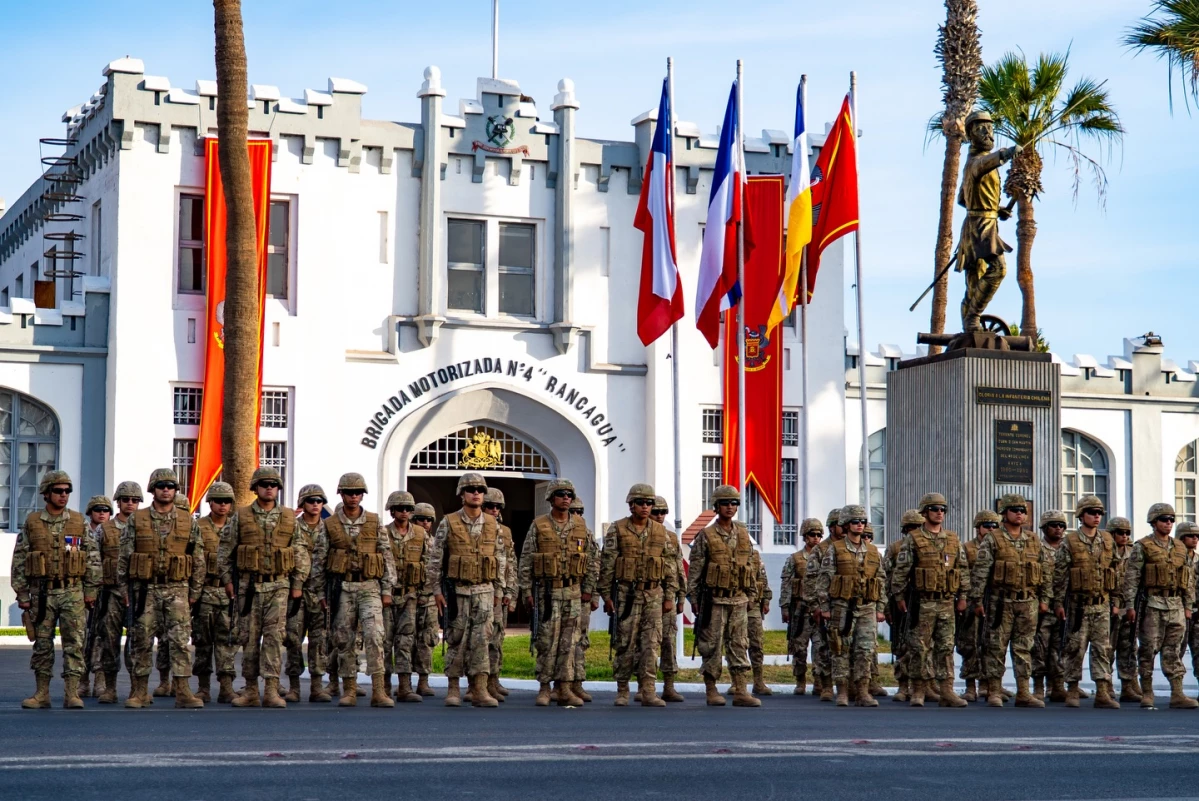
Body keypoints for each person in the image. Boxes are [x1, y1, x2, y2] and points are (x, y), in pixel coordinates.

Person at [217, 466, 310, 709]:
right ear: (255, 488)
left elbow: (300, 552)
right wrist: (227, 581)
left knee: (274, 638)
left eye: (273, 484)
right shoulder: (241, 516)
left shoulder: (288, 517)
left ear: (278, 488)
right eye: (264, 484)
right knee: (248, 638)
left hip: (279, 585)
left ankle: (271, 689)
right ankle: (250, 690)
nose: (269, 488)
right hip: (249, 587)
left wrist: (298, 583)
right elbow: (225, 550)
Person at [13, 471, 100, 709]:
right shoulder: (32, 522)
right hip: (42, 593)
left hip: (72, 591)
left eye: (67, 491)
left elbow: (92, 558)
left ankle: (72, 693)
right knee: (42, 644)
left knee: (75, 643)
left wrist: (91, 591)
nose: (64, 495)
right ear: (46, 493)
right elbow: (19, 559)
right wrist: (22, 594)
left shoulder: (79, 521)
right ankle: (42, 693)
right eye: (59, 491)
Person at [119, 468, 205, 709]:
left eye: (170, 486)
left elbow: (198, 559)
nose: (166, 490)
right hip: (145, 590)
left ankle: (183, 691)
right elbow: (124, 557)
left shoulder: (188, 520)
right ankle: (139, 691)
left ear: (176, 490)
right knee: (142, 640)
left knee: (180, 642)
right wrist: (125, 590)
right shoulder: (137, 519)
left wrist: (195, 592)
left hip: (178, 589)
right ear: (152, 490)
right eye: (161, 486)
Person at [428, 472, 505, 708]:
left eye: (480, 490)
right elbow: (436, 560)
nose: (476, 493)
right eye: (471, 489)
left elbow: (500, 558)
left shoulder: (492, 524)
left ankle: (479, 689)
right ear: (462, 494)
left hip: (484, 591)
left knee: (482, 640)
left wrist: (499, 591)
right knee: (456, 639)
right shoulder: (449, 522)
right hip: (457, 592)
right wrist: (437, 591)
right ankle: (453, 688)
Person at [968, 493, 1052, 708]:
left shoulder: (1033, 539)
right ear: (1004, 513)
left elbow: (1045, 572)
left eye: (1023, 510)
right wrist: (977, 600)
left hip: (1028, 602)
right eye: (1015, 510)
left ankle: (1023, 692)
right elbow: (981, 572)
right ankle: (994, 691)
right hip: (1000, 603)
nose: (1019, 514)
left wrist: (1045, 599)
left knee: (1024, 648)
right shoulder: (993, 539)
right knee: (996, 647)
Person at [890, 494, 970, 708]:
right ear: (925, 512)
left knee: (946, 647)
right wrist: (899, 596)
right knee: (919, 647)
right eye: (935, 508)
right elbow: (901, 571)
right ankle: (918, 690)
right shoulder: (914, 538)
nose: (939, 512)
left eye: (943, 509)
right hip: (922, 602)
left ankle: (947, 691)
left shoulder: (952, 539)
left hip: (946, 602)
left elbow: (962, 569)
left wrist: (963, 596)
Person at [323, 472, 395, 708]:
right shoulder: (330, 524)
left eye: (357, 493)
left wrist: (387, 590)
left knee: (375, 635)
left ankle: (379, 691)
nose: (353, 497)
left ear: (362, 495)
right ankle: (349, 690)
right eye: (348, 493)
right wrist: (321, 594)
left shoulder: (374, 521)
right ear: (341, 494)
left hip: (369, 586)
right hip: (342, 588)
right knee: (344, 639)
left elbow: (386, 556)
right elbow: (319, 561)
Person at [686, 485, 759, 707]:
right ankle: (711, 689)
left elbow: (751, 566)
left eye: (734, 503)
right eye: (725, 503)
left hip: (739, 599)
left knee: (739, 644)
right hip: (714, 601)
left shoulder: (743, 534)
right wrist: (694, 599)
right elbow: (695, 570)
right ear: (716, 507)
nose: (730, 507)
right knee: (712, 645)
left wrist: (752, 595)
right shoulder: (706, 535)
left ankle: (741, 690)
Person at [521, 480, 590, 706]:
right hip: (547, 592)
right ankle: (544, 687)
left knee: (569, 643)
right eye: (561, 494)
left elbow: (591, 561)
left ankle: (564, 688)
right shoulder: (539, 525)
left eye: (569, 494)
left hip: (573, 592)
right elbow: (526, 560)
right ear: (551, 498)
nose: (566, 498)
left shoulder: (580, 526)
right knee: (546, 641)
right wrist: (526, 591)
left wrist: (589, 590)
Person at [1123, 503, 1197, 708]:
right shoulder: (1143, 546)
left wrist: (1188, 606)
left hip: (1176, 605)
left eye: (1171, 520)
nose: (1169, 523)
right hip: (1152, 604)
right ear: (1154, 522)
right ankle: (1147, 692)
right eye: (1164, 519)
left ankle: (1177, 693)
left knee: (1174, 650)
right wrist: (1130, 605)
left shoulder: (1180, 547)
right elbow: (1132, 578)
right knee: (1148, 649)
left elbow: (1188, 579)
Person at [954, 109, 1021, 332]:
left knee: (975, 278)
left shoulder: (972, 165)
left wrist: (996, 209)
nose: (988, 133)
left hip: (981, 222)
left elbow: (963, 199)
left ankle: (970, 324)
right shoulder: (976, 162)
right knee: (998, 269)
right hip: (980, 226)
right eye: (981, 129)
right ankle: (973, 317)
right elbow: (985, 164)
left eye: (990, 128)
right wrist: (1007, 153)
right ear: (971, 134)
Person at [1053, 495, 1121, 709]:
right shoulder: (1070, 541)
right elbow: (1060, 575)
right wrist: (1059, 604)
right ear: (1081, 516)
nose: (1097, 516)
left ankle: (1102, 692)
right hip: (1078, 605)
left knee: (1103, 649)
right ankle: (1072, 689)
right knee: (1075, 647)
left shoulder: (1107, 540)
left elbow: (1116, 572)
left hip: (1102, 604)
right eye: (1092, 513)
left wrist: (1117, 600)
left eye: (1099, 513)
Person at [814, 505, 885, 707]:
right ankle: (843, 691)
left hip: (867, 607)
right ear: (846, 524)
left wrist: (880, 608)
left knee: (865, 651)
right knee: (840, 649)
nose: (860, 525)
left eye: (863, 522)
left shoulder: (873, 551)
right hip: (842, 607)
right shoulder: (835, 549)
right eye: (855, 521)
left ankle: (863, 692)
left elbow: (881, 580)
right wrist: (824, 607)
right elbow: (824, 580)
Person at [192, 482, 239, 704]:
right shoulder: (198, 527)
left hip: (228, 593)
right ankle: (203, 687)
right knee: (202, 642)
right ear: (210, 502)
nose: (223, 505)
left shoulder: (237, 526)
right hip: (205, 592)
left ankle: (226, 687)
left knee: (227, 642)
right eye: (218, 500)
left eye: (227, 501)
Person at [284, 484, 331, 703]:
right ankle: (294, 687)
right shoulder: (291, 527)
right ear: (302, 503)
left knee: (319, 641)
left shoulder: (329, 528)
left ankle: (316, 687)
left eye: (319, 501)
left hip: (320, 592)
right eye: (311, 501)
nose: (315, 504)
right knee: (293, 639)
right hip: (296, 592)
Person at [805, 508, 847, 701]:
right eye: (840, 524)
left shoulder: (850, 547)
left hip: (845, 606)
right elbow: (810, 580)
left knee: (845, 647)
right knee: (824, 646)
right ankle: (826, 685)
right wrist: (816, 607)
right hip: (826, 606)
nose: (845, 527)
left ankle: (848, 685)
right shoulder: (820, 550)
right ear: (832, 527)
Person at [959, 510, 1000, 702]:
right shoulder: (967, 548)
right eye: (987, 526)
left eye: (994, 526)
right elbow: (962, 574)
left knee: (991, 644)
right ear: (978, 528)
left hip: (994, 601)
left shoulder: (1000, 547)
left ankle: (987, 685)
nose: (991, 529)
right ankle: (970, 686)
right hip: (972, 602)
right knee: (970, 644)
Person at [780, 518, 823, 695]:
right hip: (800, 610)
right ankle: (800, 681)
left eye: (819, 535)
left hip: (819, 610)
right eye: (812, 534)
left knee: (820, 648)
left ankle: (819, 681)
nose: (816, 538)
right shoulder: (795, 559)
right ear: (805, 536)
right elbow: (786, 583)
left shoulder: (826, 557)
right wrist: (784, 607)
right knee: (799, 648)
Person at [483, 488, 517, 702]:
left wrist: (510, 591)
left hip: (500, 591)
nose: (494, 510)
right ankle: (479, 683)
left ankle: (493, 679)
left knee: (497, 638)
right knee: (479, 639)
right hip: (480, 589)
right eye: (490, 506)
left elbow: (511, 563)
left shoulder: (505, 531)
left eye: (497, 507)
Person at [381, 490, 416, 699]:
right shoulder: (382, 533)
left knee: (405, 641)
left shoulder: (420, 535)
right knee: (384, 641)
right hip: (386, 596)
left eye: (408, 509)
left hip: (409, 596)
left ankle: (404, 687)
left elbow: (430, 564)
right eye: (400, 508)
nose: (404, 512)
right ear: (392, 511)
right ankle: (384, 687)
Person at [650, 495, 685, 702]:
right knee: (646, 643)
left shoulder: (671, 537)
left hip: (667, 596)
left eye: (663, 512)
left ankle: (669, 686)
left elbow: (679, 568)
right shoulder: (642, 536)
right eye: (656, 512)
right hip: (647, 595)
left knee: (668, 641)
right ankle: (646, 686)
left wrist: (681, 597)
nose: (660, 516)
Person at [884, 510, 921, 702]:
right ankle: (903, 685)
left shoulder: (927, 546)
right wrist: (887, 607)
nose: (915, 531)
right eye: (911, 528)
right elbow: (886, 578)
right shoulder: (895, 548)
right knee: (901, 645)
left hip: (921, 601)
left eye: (918, 527)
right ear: (905, 529)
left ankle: (923, 686)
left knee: (923, 646)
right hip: (901, 601)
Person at [1032, 510, 1068, 702]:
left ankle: (1057, 686)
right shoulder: (1037, 548)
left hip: (1063, 606)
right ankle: (1038, 686)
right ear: (1045, 528)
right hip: (1042, 607)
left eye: (1061, 526)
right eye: (1054, 525)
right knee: (1039, 647)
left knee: (1060, 647)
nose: (1058, 529)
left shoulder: (1069, 547)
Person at [81, 495, 113, 698]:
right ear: (90, 512)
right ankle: (82, 680)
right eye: (97, 510)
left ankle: (100, 680)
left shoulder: (115, 532)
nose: (102, 513)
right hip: (83, 592)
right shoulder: (81, 531)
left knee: (103, 637)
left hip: (106, 591)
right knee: (83, 638)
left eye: (105, 510)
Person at [569, 495, 599, 702]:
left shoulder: (586, 535)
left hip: (582, 595)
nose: (576, 515)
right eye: (573, 511)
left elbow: (594, 565)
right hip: (559, 594)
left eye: (579, 512)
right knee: (558, 641)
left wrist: (593, 594)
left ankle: (577, 682)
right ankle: (558, 684)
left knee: (580, 639)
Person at [1107, 516, 1140, 702]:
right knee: (1106, 649)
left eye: (1127, 533)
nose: (1125, 536)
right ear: (1112, 534)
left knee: (1128, 648)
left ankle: (1128, 686)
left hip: (1128, 606)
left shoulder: (1133, 553)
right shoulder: (1104, 551)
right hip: (1109, 606)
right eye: (1121, 532)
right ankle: (1106, 685)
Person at [410, 502, 439, 697]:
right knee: (405, 640)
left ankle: (423, 681)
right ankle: (404, 682)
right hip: (409, 597)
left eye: (429, 520)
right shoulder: (408, 541)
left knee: (427, 639)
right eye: (421, 519)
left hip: (429, 599)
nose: (425, 523)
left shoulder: (436, 543)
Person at [746, 544, 774, 696]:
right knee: (735, 644)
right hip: (733, 602)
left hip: (753, 606)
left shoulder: (754, 555)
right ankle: (737, 683)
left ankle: (758, 682)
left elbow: (762, 579)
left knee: (756, 643)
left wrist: (766, 600)